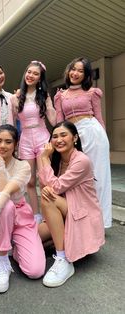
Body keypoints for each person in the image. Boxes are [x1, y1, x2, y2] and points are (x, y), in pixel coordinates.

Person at [0, 124, 46, 293]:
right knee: (5, 205)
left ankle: (14, 246)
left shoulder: (23, 166)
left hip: (21, 217)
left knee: (35, 271)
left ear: (16, 145)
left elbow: (6, 191)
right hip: (0, 214)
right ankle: (3, 261)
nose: (2, 146)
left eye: (8, 142)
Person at [38, 121, 105, 288]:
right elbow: (44, 184)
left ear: (75, 138)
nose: (58, 140)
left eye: (63, 135)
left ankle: (63, 259)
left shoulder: (81, 161)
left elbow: (56, 187)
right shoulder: (58, 160)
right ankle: (61, 240)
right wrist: (47, 160)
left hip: (82, 213)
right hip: (65, 210)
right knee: (31, 241)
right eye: (54, 137)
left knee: (48, 197)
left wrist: (44, 158)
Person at [54, 57, 112, 228]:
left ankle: (101, 222)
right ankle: (78, 218)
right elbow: (59, 121)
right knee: (74, 175)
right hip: (72, 135)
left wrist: (105, 143)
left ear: (86, 74)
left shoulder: (92, 92)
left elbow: (99, 117)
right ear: (68, 71)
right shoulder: (60, 96)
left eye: (80, 70)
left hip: (93, 132)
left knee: (98, 177)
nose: (75, 73)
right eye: (73, 69)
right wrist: (58, 139)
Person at [11, 61, 56, 223]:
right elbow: (12, 121)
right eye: (29, 72)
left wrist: (52, 102)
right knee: (29, 181)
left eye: (35, 74)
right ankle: (36, 215)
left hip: (42, 137)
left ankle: (48, 213)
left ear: (40, 78)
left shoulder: (44, 96)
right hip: (25, 140)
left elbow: (53, 119)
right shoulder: (16, 98)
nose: (30, 76)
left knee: (45, 179)